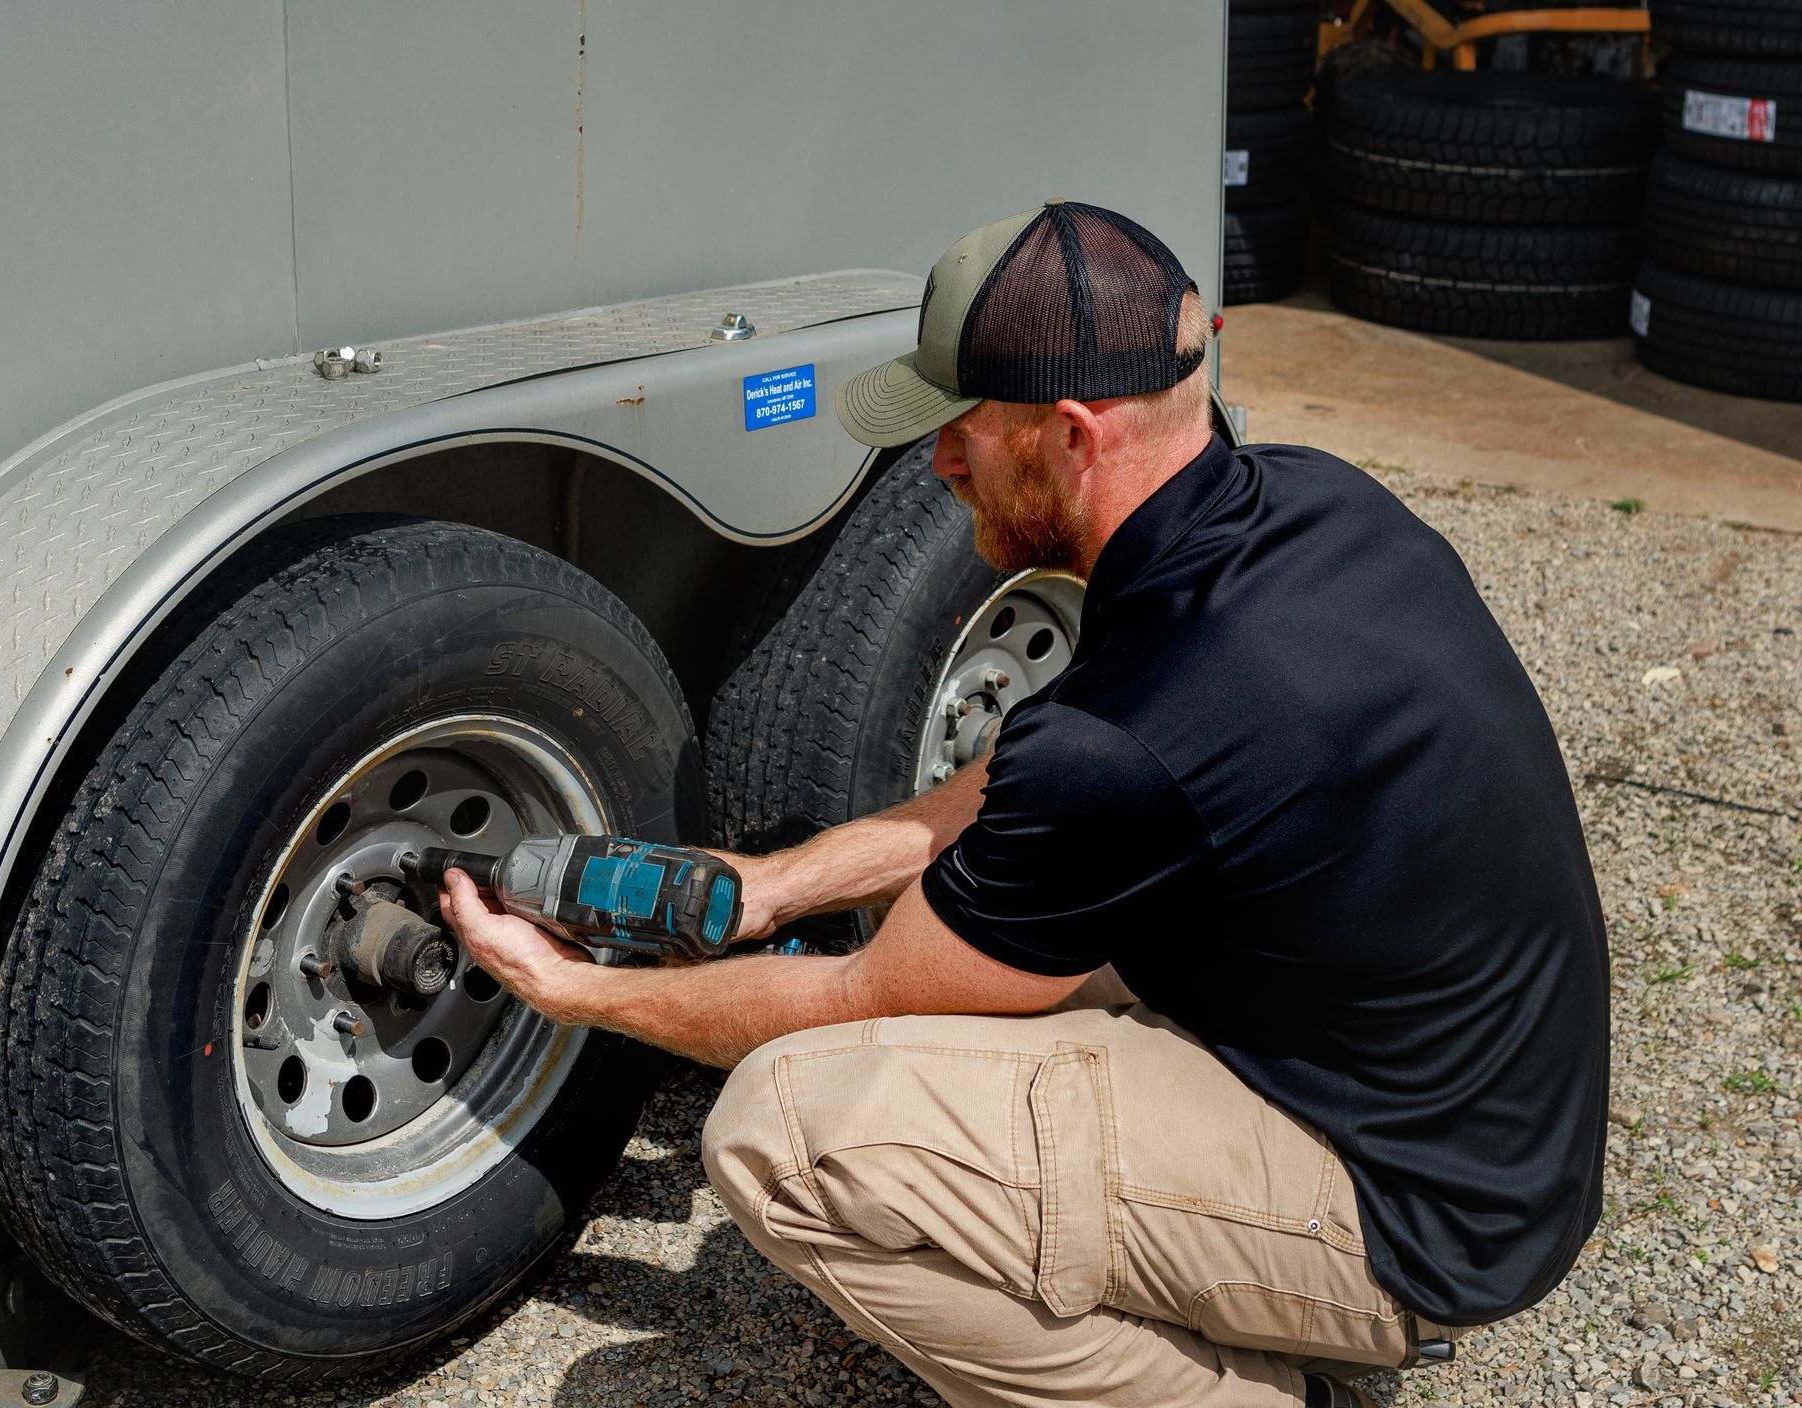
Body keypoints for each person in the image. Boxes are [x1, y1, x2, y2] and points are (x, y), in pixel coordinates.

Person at [438, 201, 1610, 1408]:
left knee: (782, 1134)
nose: (938, 463)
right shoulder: (1307, 508)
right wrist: (766, 888)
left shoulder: (1129, 733)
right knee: (983, 996)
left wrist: (575, 989)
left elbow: (858, 997)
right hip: (1487, 1122)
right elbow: (1036, 788)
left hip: (1414, 1212)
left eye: (965, 429)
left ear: (1070, 431)